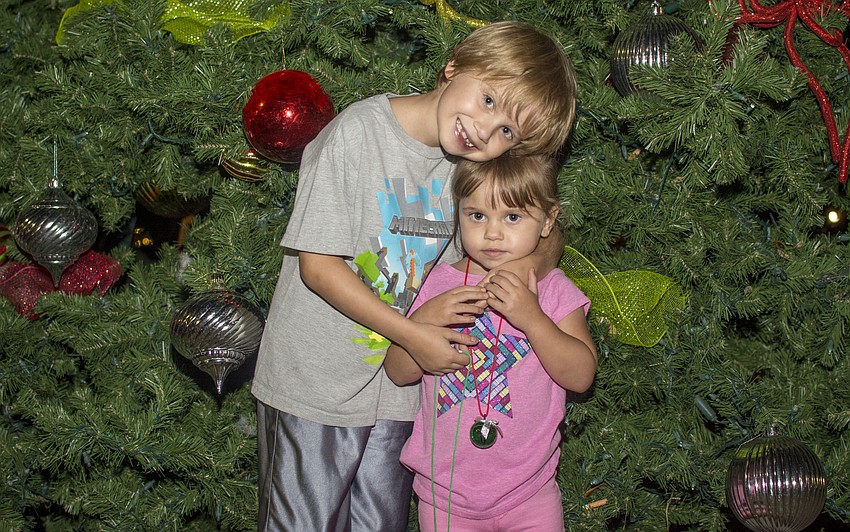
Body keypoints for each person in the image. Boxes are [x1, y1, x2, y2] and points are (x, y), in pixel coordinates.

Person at [251, 20, 578, 531]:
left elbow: (538, 232)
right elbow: (317, 268)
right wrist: (413, 333)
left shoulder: (466, 170)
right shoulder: (359, 132)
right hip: (316, 383)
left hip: (401, 396)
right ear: (454, 66)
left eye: (507, 132)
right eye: (489, 101)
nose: (484, 131)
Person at [384, 155, 598, 531]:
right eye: (477, 215)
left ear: (548, 220)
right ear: (459, 213)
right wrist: (422, 321)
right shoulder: (436, 284)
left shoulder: (552, 289)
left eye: (512, 217)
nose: (492, 233)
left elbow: (581, 376)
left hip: (530, 493)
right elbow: (398, 372)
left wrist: (532, 318)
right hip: (444, 497)